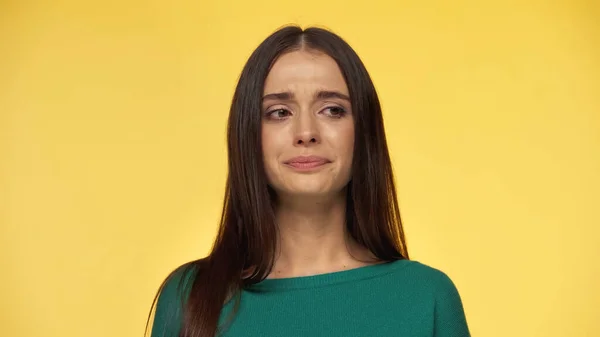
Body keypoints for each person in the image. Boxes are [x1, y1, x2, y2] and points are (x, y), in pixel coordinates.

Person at [146, 25, 470, 337]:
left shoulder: (427, 298)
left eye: (332, 110)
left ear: (364, 132)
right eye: (279, 112)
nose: (306, 133)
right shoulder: (189, 296)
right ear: (248, 135)